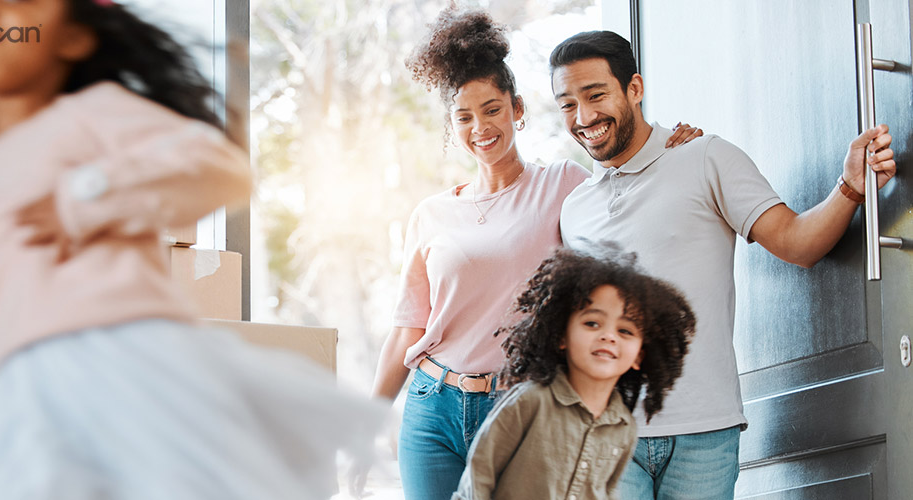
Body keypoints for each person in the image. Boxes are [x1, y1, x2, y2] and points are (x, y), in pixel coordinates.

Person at [0, 1, 382, 499]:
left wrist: (82, 198)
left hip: (127, 368)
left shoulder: (96, 113)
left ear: (75, 38)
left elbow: (220, 171)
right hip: (25, 408)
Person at [355, 8, 702, 500]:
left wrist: (672, 149)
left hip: (518, 402)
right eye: (464, 116)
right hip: (432, 405)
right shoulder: (430, 215)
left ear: (517, 108)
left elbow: (630, 191)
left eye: (492, 109)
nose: (481, 127)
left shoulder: (564, 185)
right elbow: (407, 329)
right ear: (452, 127)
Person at [549, 30, 897, 500]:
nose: (584, 117)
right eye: (567, 104)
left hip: (704, 429)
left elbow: (797, 243)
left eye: (595, 96)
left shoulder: (706, 157)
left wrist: (851, 187)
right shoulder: (574, 209)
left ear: (634, 88)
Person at [452, 248, 695, 500]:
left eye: (625, 331)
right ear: (561, 336)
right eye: (592, 323)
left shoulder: (623, 426)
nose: (608, 336)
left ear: (639, 356)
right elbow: (478, 478)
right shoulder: (530, 401)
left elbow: (606, 491)